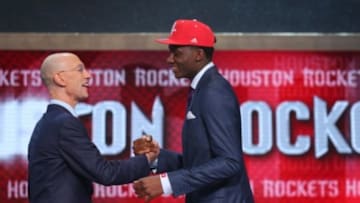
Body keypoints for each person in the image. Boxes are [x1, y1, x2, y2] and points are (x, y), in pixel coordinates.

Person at [133, 19, 254, 203]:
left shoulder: (214, 91)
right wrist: (158, 158)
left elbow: (230, 162)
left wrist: (166, 183)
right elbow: (201, 163)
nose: (170, 59)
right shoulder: (202, 89)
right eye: (170, 52)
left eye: (177, 53)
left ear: (199, 54)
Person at [27, 52, 159, 203]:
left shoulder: (50, 122)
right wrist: (147, 159)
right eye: (79, 69)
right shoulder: (64, 124)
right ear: (60, 78)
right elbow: (105, 173)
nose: (88, 75)